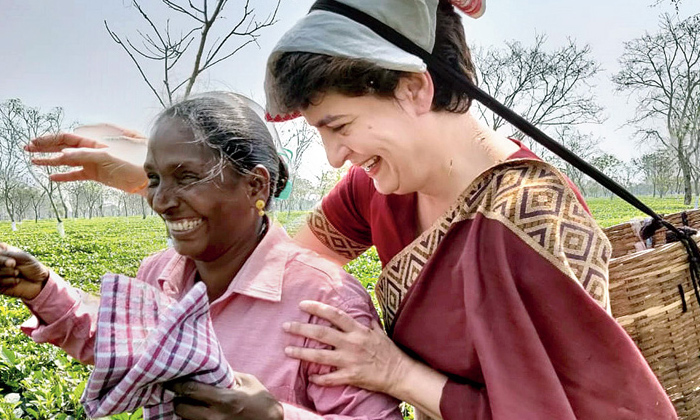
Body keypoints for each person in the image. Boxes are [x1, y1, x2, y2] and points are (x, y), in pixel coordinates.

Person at [24, 1, 678, 419]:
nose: (335, 156)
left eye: (339, 125)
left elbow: (558, 409)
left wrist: (397, 373)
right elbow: (268, 257)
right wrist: (168, 176)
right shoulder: (380, 188)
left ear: (414, 88)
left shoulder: (531, 218)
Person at [3, 92, 402, 419]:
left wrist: (277, 418)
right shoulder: (159, 272)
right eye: (155, 179)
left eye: (187, 177)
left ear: (255, 186)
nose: (161, 201)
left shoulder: (324, 300)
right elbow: (123, 348)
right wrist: (41, 290)